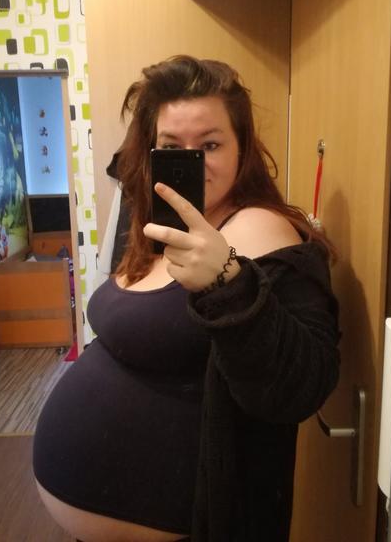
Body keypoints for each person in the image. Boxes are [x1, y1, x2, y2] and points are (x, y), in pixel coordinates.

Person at [33, 55, 340, 542]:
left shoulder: (263, 229)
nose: (192, 160)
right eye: (173, 147)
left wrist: (227, 279)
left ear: (242, 149)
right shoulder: (155, 229)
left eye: (210, 144)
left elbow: (303, 384)